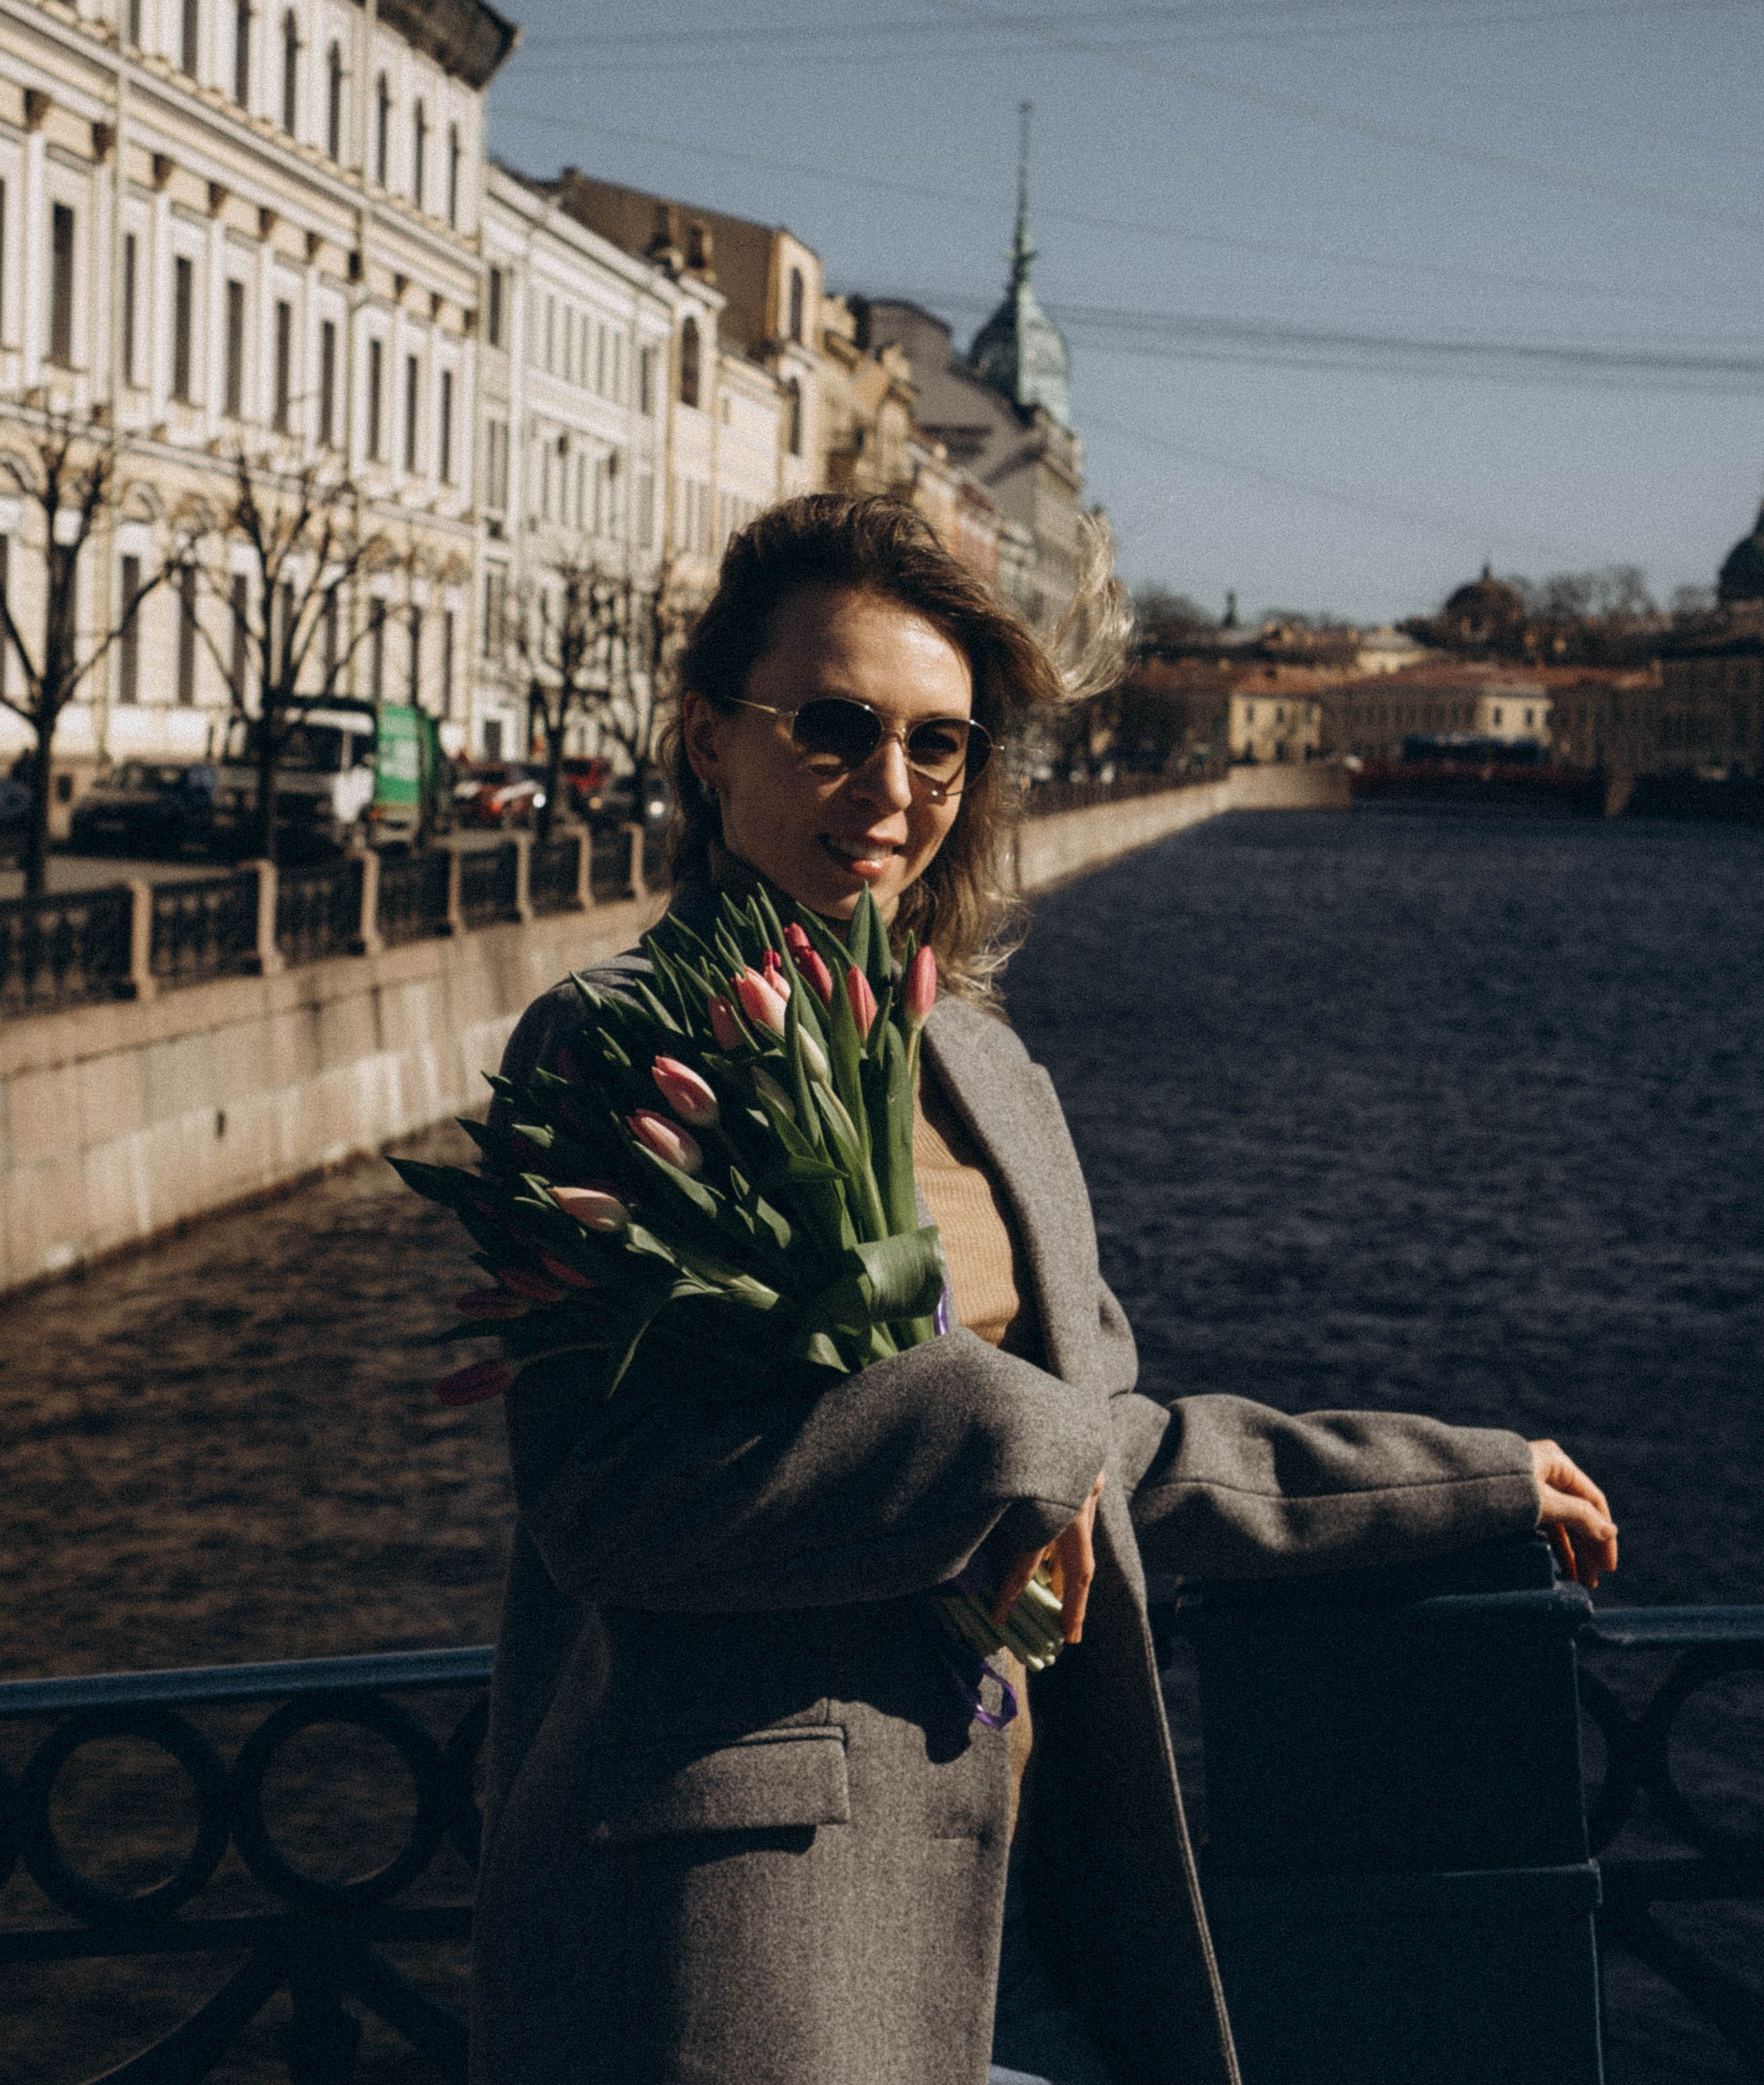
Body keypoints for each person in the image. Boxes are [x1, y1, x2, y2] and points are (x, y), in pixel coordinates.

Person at [471, 494, 1617, 2085]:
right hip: (755, 1923)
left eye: (937, 745)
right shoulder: (611, 1048)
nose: (890, 788)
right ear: (705, 740)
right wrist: (986, 1420)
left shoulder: (986, 1065)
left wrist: (1456, 1478)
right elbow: (603, 1500)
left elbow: (1098, 1445)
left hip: (1040, 1882)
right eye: (832, 726)